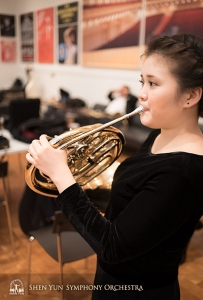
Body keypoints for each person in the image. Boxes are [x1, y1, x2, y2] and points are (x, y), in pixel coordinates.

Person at [26, 33, 203, 300]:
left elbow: (111, 246)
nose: (141, 94)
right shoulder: (162, 133)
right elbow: (133, 201)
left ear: (190, 96)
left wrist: (62, 175)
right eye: (142, 81)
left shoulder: (182, 172)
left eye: (153, 83)